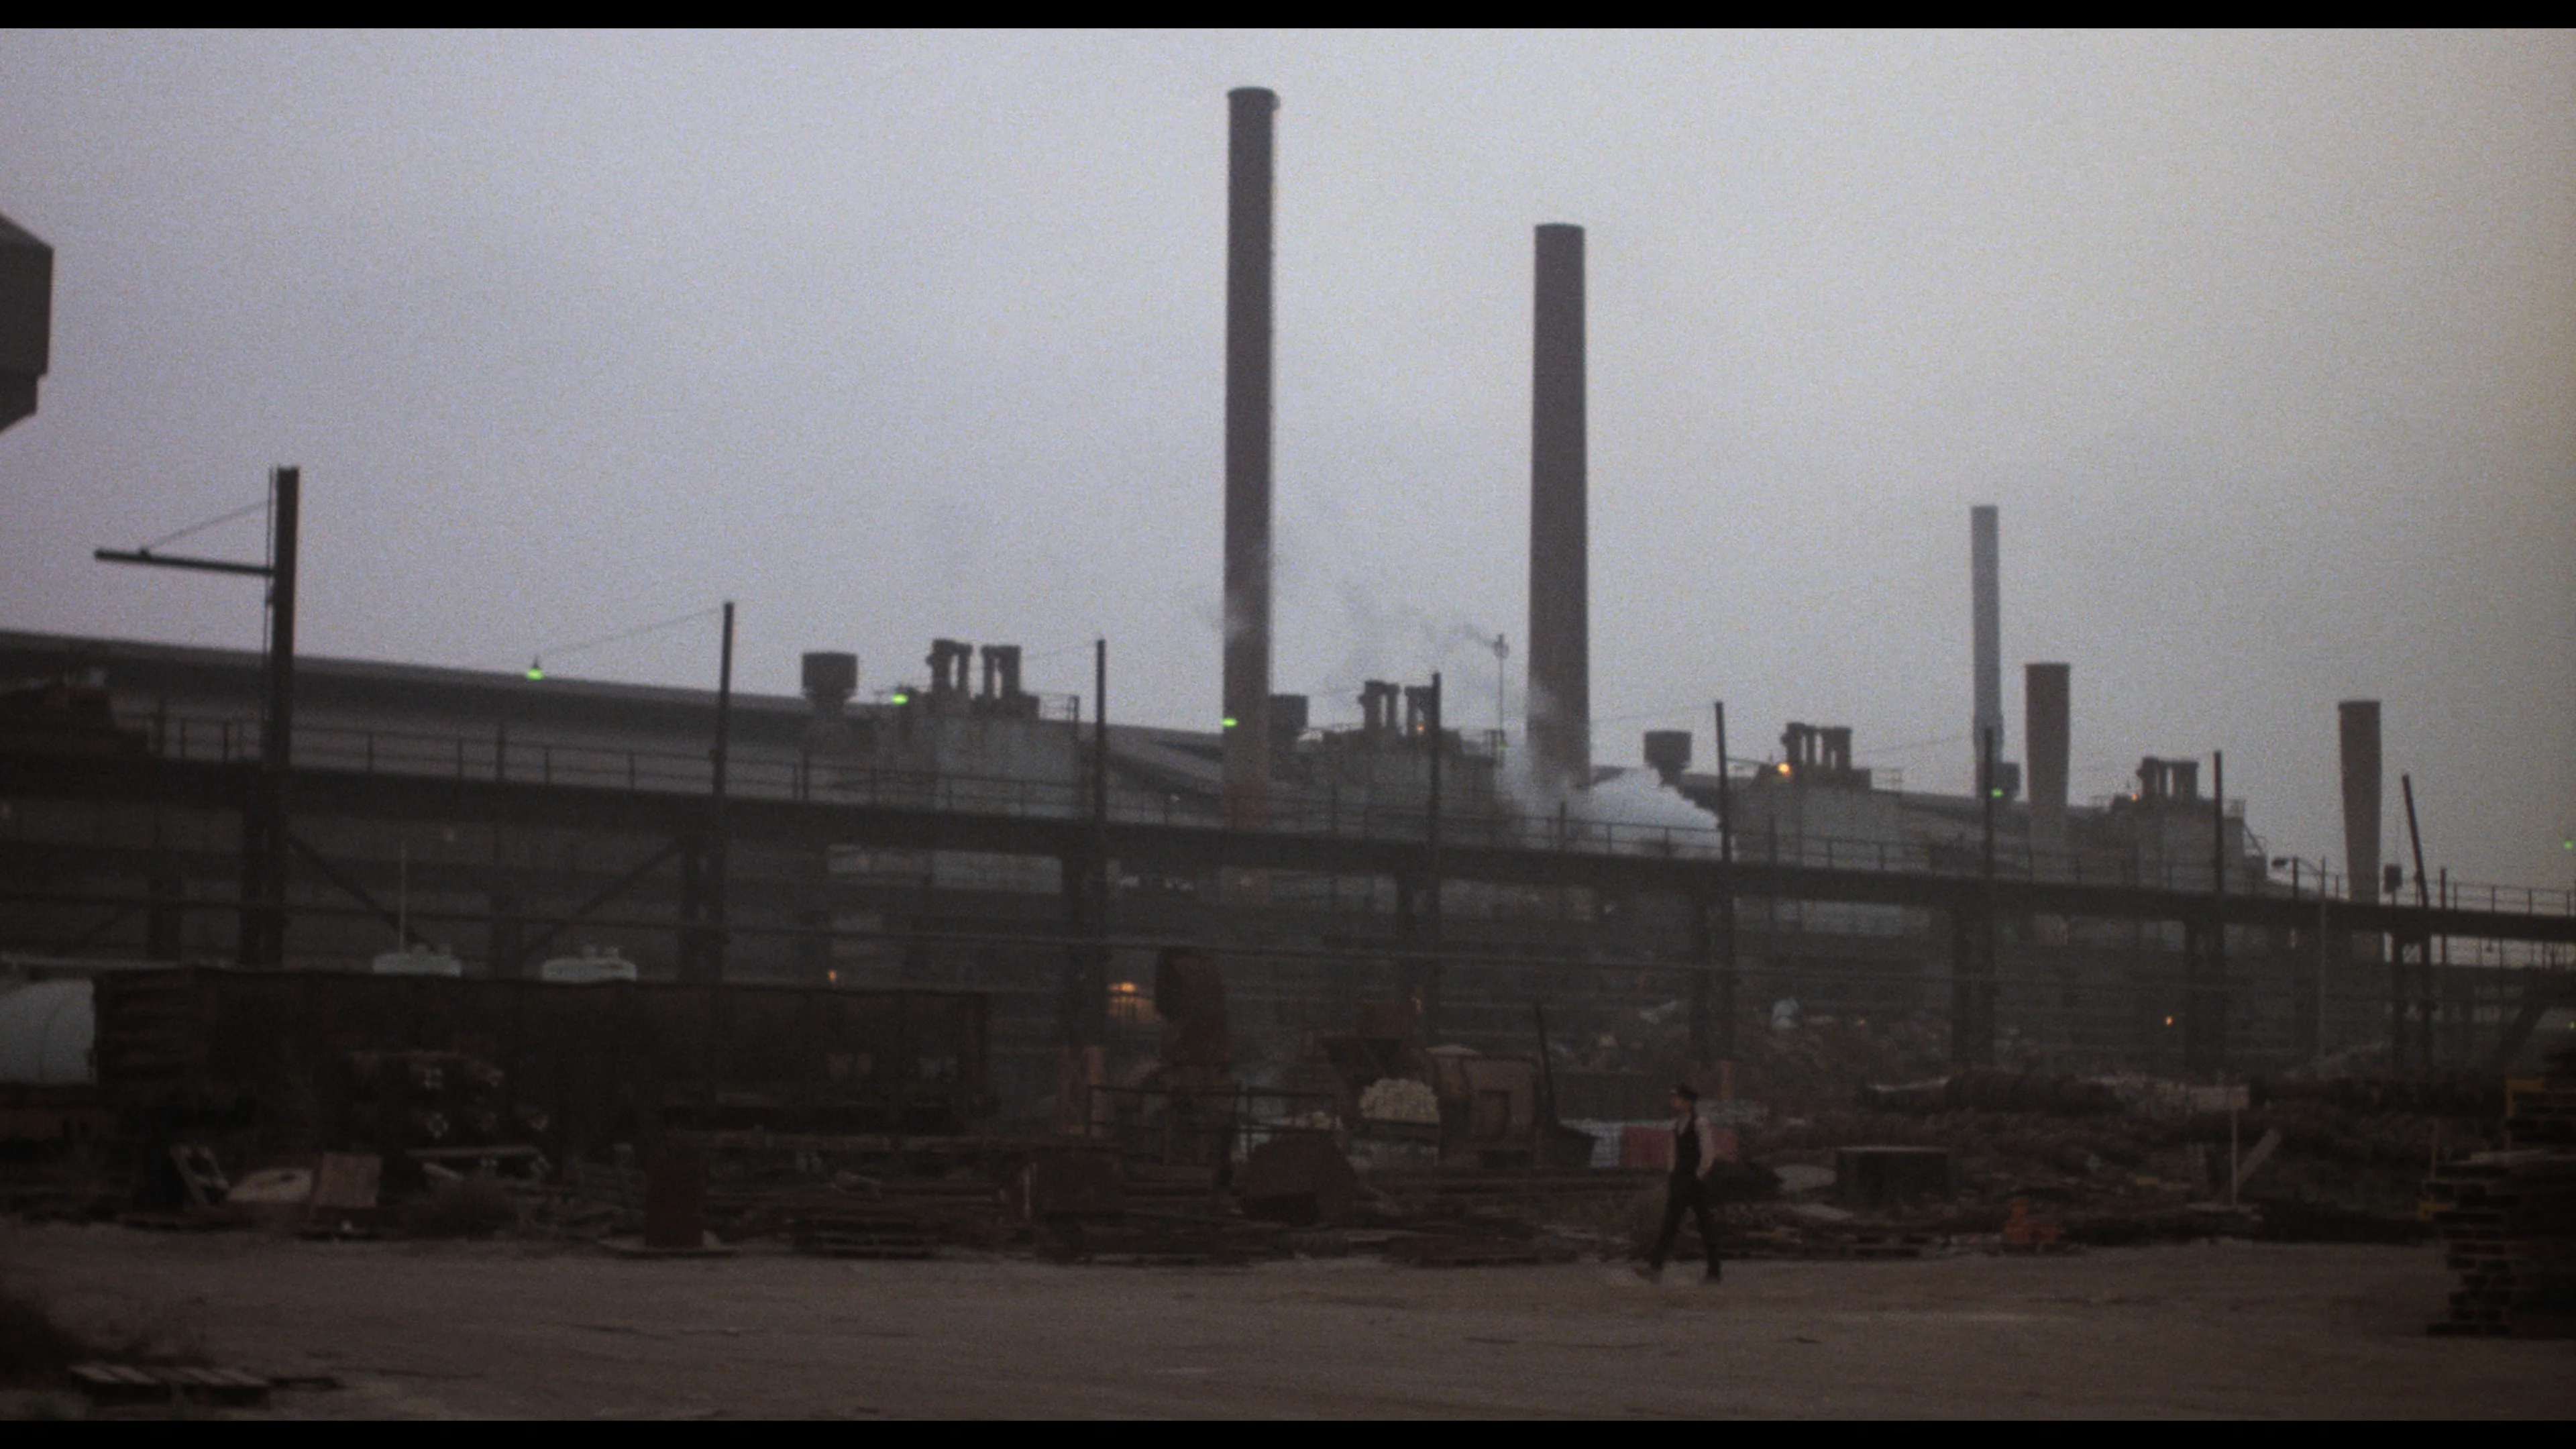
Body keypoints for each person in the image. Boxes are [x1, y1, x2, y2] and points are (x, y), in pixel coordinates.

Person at [1640, 1082, 1724, 1283]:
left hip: (1693, 1181)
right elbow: (1673, 1152)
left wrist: (1698, 1175)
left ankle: (1713, 1271)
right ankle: (1656, 1267)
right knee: (1672, 1223)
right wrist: (1673, 1173)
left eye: (1677, 1099)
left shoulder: (1699, 1123)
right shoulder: (1677, 1125)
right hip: (1681, 1179)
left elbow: (1707, 1153)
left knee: (1703, 1224)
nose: (1673, 1102)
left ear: (1688, 1102)